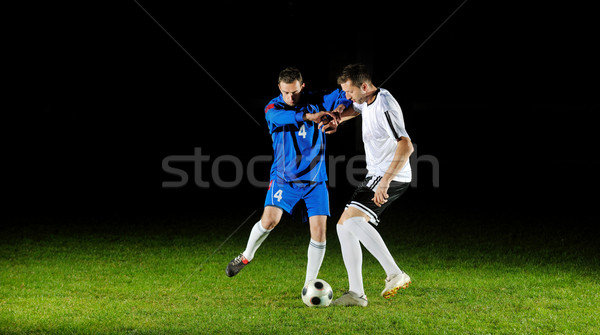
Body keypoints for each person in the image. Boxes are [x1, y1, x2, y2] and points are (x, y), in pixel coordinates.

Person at [226, 67, 351, 287]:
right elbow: (282, 117)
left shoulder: (317, 99)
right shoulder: (273, 108)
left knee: (320, 233)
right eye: (285, 92)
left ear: (302, 86)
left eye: (294, 92)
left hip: (315, 180)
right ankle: (246, 255)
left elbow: (345, 95)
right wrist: (311, 116)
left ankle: (309, 284)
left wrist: (338, 111)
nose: (290, 97)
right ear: (279, 89)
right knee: (269, 221)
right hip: (285, 179)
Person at [328, 64, 414, 307]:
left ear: (364, 86)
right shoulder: (367, 99)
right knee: (343, 227)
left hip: (391, 175)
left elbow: (406, 146)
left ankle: (395, 274)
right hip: (375, 174)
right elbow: (355, 108)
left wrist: (385, 182)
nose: (347, 96)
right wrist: (339, 118)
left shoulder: (385, 105)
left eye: (349, 91)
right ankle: (356, 294)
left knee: (354, 222)